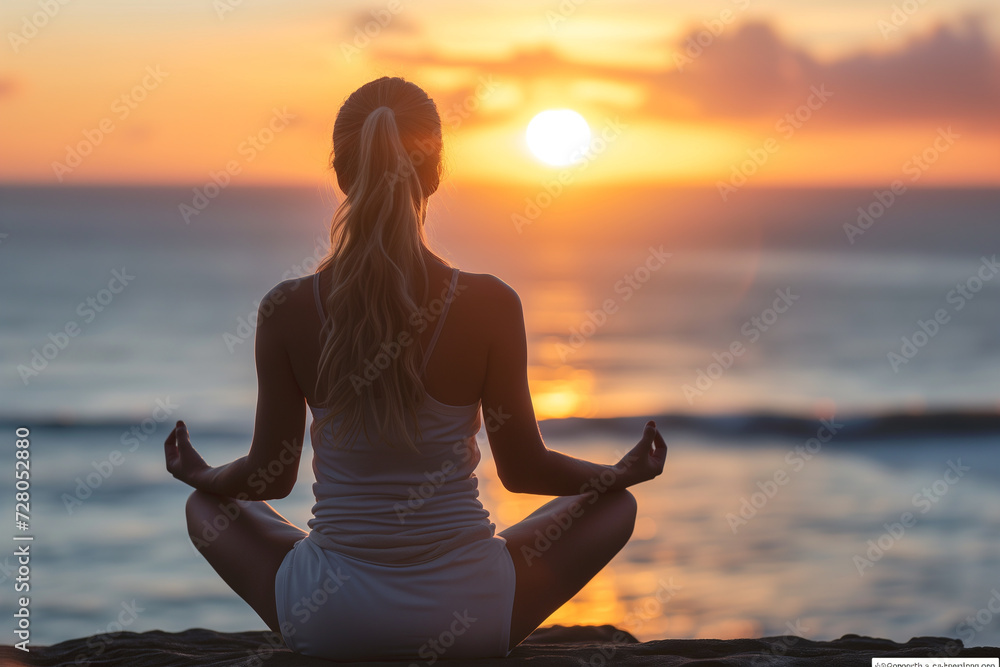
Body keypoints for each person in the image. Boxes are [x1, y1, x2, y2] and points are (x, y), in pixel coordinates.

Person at [164, 75, 667, 661]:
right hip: (469, 614)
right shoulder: (490, 304)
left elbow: (270, 478)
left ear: (340, 172)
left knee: (205, 509)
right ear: (434, 174)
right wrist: (617, 473)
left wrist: (204, 477)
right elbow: (524, 469)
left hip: (328, 618)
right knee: (617, 505)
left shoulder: (286, 307)